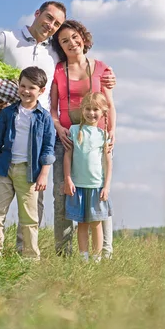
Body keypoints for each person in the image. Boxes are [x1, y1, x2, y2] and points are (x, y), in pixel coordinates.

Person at [0, 1, 117, 252]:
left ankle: (28, 251)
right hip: (11, 127)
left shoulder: (55, 53)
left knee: (41, 193)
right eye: (49, 18)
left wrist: (109, 78)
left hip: (46, 132)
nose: (51, 25)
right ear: (37, 14)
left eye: (56, 23)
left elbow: (98, 84)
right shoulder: (9, 39)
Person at [50, 20, 116, 257]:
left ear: (83, 37)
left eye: (74, 37)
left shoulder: (99, 68)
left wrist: (112, 133)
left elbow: (109, 104)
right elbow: (53, 108)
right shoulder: (57, 70)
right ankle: (65, 252)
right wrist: (58, 126)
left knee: (100, 198)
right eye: (64, 41)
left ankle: (104, 253)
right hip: (67, 139)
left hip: (97, 140)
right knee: (64, 196)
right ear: (59, 46)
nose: (71, 43)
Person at [0, 67, 56, 259]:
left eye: (31, 87)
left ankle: (30, 257)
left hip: (29, 172)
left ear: (41, 90)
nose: (25, 91)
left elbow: (48, 148)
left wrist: (44, 174)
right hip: (4, 170)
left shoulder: (44, 117)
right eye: (22, 86)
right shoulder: (7, 113)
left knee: (29, 218)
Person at [63, 92, 113, 262]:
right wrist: (68, 178)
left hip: (97, 187)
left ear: (103, 112)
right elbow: (67, 156)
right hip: (78, 186)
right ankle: (83, 256)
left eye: (96, 110)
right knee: (81, 224)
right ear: (82, 110)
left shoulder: (104, 135)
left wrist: (106, 186)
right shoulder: (74, 130)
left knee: (96, 224)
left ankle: (96, 258)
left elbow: (108, 163)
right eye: (88, 109)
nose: (92, 113)